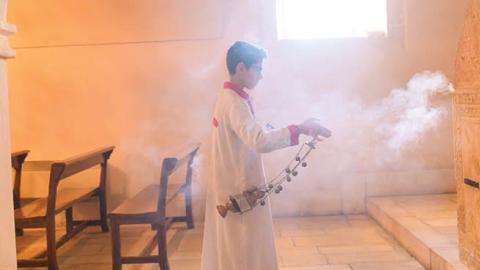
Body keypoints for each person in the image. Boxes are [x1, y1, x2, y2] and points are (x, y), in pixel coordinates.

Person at [200, 41, 331, 270]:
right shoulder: (234, 102)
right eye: (258, 69)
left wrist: (293, 128)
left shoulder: (232, 98)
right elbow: (258, 141)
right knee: (243, 251)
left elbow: (251, 134)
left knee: (241, 249)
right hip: (238, 189)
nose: (261, 75)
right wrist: (299, 129)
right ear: (241, 68)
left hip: (234, 184)